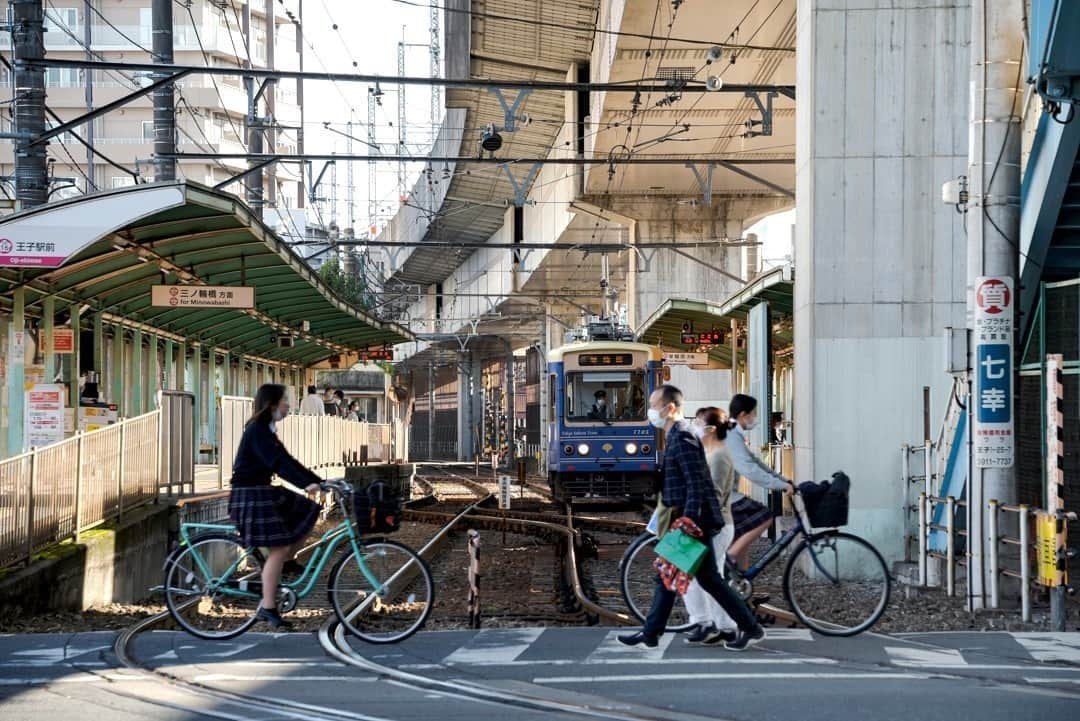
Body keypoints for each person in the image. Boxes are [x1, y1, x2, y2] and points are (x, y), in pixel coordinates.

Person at [618, 384, 765, 651]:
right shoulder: (677, 436)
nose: (650, 411)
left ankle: (651, 634)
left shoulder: (683, 437)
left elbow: (696, 484)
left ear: (670, 407)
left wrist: (688, 522)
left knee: (669, 577)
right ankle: (750, 627)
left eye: (653, 405)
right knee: (702, 579)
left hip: (692, 522)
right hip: (693, 520)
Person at [228, 384, 322, 629]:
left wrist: (317, 482)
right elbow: (278, 463)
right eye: (285, 400)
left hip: (261, 491)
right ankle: (268, 607)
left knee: (308, 510)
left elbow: (288, 460)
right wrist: (306, 484)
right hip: (249, 495)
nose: (288, 405)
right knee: (278, 549)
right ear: (271, 404)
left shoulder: (266, 430)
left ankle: (287, 561)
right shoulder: (257, 430)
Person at [682, 406, 739, 645]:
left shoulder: (718, 456)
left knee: (702, 576)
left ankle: (715, 624)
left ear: (711, 429)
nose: (694, 425)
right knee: (702, 576)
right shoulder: (711, 452)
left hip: (714, 525)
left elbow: (712, 496)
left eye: (698, 421)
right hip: (711, 523)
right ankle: (716, 624)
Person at [726, 394, 795, 570]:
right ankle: (729, 557)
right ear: (743, 415)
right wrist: (782, 485)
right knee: (765, 517)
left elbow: (756, 463)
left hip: (723, 494)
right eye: (753, 413)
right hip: (724, 496)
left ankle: (742, 588)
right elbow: (750, 470)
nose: (755, 418)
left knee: (741, 538)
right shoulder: (731, 436)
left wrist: (783, 480)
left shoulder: (732, 433)